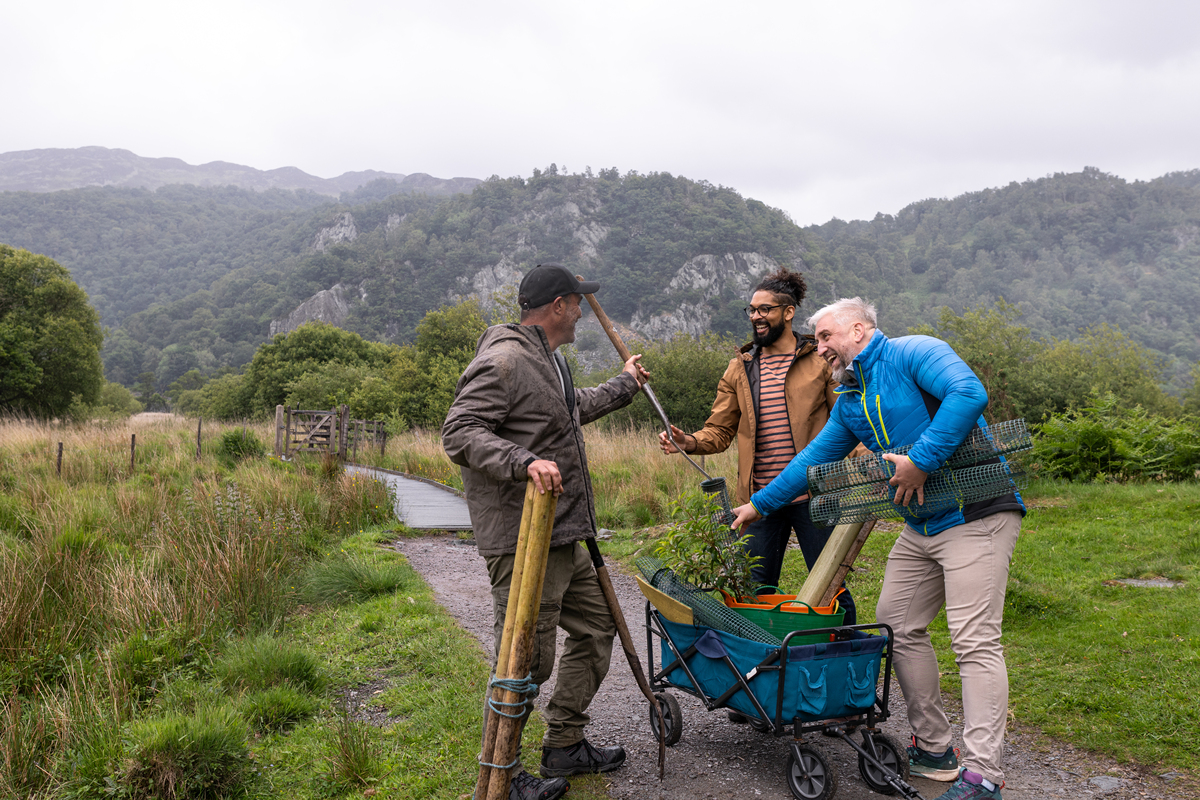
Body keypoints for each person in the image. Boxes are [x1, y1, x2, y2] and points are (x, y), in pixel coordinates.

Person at [729, 297, 1024, 800]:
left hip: (977, 514)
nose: (818, 347)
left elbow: (967, 392)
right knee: (896, 626)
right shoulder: (850, 402)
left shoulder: (915, 352)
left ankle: (983, 777)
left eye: (825, 336)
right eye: (816, 339)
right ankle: (934, 748)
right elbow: (810, 462)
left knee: (973, 641)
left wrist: (921, 461)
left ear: (859, 331)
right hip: (922, 526)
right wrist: (756, 506)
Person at [443, 263, 649, 800]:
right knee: (525, 658)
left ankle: (565, 742)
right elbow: (460, 431)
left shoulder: (549, 362)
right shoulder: (506, 359)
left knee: (598, 626)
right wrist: (523, 460)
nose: (582, 311)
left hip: (564, 533)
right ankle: (501, 774)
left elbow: (568, 412)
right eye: (577, 301)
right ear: (559, 304)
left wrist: (625, 386)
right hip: (524, 538)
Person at [658, 268, 857, 626]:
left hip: (816, 494)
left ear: (788, 311)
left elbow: (850, 424)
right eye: (751, 310)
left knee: (833, 589)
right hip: (759, 501)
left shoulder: (820, 361)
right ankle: (764, 671)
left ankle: (847, 660)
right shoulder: (739, 368)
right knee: (753, 594)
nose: (755, 316)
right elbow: (718, 432)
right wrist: (687, 441)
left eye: (764, 309)